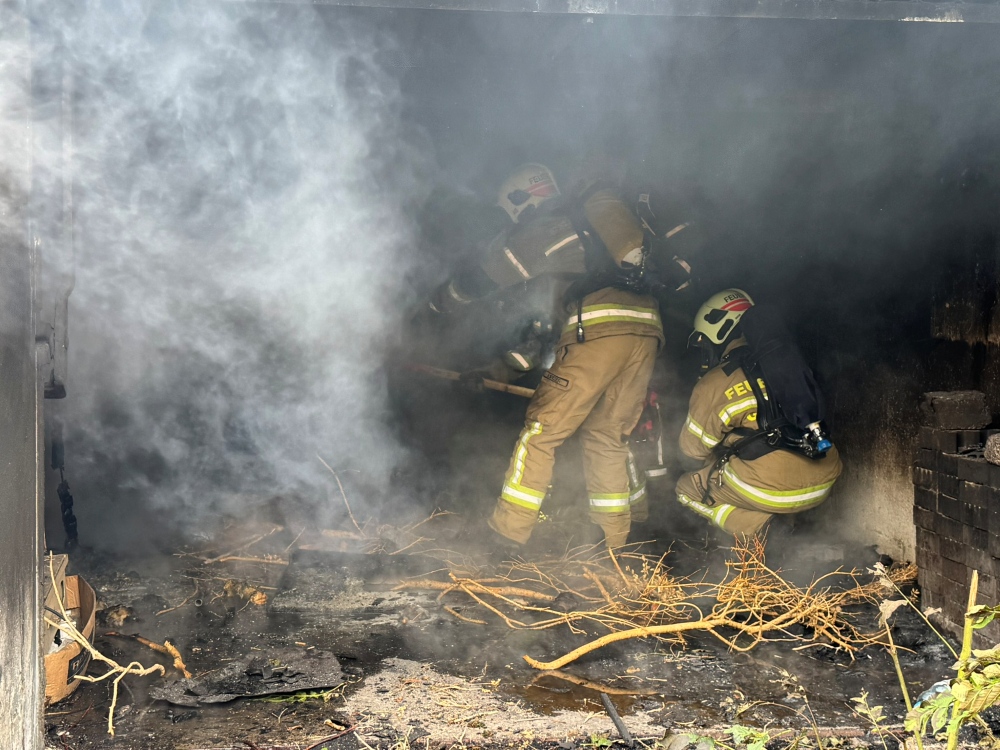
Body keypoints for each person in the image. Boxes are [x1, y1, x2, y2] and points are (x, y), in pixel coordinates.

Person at [427, 163, 694, 548]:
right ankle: (616, 544)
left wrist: (440, 302)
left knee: (542, 431)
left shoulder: (551, 226)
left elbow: (489, 274)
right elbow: (543, 340)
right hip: (647, 329)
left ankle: (506, 535)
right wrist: (494, 373)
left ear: (522, 200)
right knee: (607, 435)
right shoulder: (591, 237)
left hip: (599, 327)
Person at [675, 289, 842, 538]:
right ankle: (792, 527)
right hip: (825, 480)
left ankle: (763, 530)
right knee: (757, 466)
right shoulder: (793, 363)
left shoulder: (716, 381)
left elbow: (693, 450)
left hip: (772, 491)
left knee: (686, 488)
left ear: (718, 332)